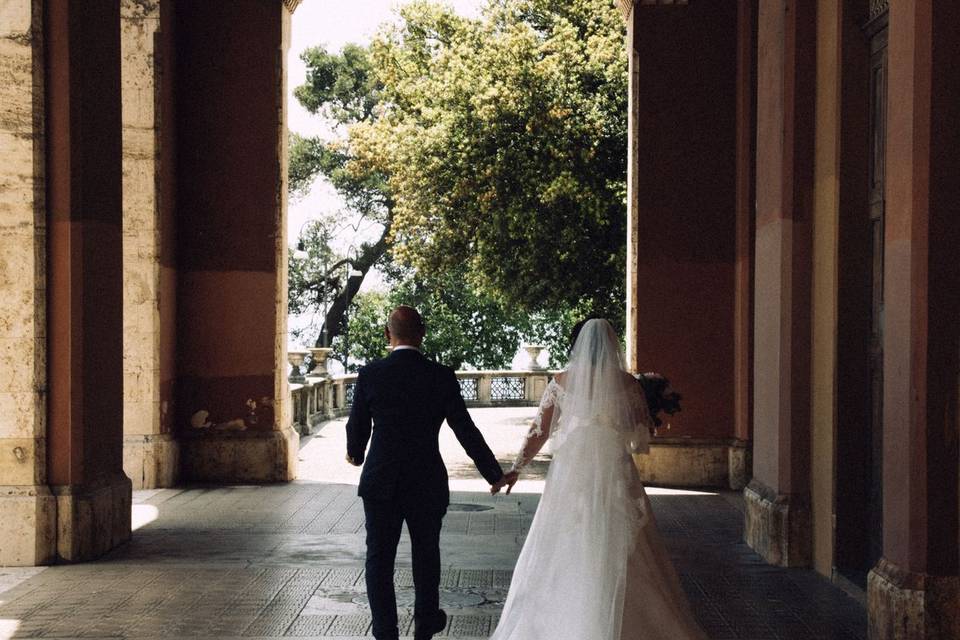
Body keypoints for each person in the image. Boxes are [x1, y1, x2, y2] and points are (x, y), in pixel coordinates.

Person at [489, 318, 708, 640]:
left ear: (576, 345)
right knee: (623, 538)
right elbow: (640, 433)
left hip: (572, 474)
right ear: (611, 346)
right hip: (614, 471)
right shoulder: (628, 384)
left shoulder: (560, 382)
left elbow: (538, 432)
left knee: (568, 535)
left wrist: (516, 469)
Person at [345, 306, 517, 640]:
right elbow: (465, 429)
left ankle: (385, 632)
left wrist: (356, 453)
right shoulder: (440, 376)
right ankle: (424, 624)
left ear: (387, 335)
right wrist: (494, 474)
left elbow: (357, 425)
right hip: (426, 481)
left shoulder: (371, 374)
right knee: (426, 554)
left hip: (381, 481)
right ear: (422, 334)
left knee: (379, 559)